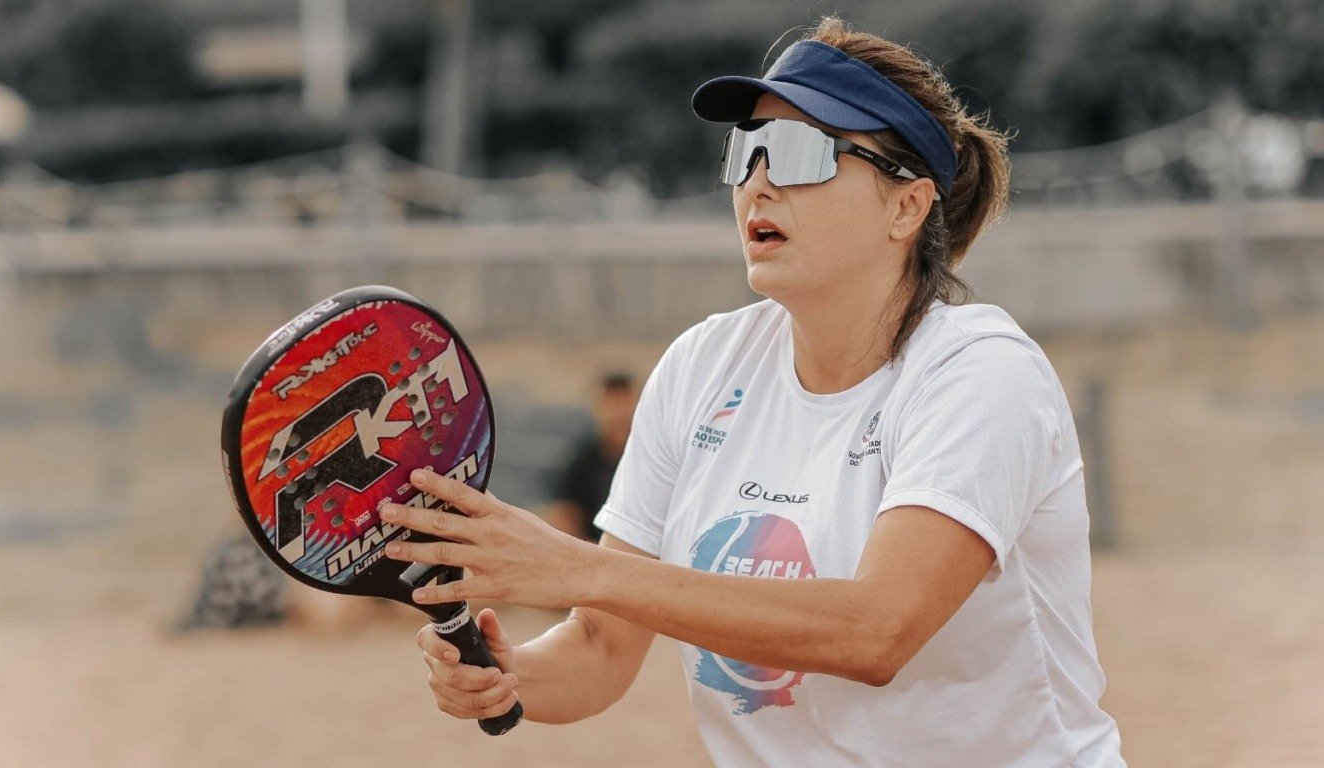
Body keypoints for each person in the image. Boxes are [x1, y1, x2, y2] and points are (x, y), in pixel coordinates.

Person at [377, 15, 1125, 767]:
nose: (759, 182)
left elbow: (876, 631)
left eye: (800, 152)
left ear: (907, 205)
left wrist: (578, 567)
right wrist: (510, 676)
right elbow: (602, 652)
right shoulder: (703, 364)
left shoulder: (980, 374)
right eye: (747, 151)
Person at [542, 371, 639, 543]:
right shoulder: (581, 464)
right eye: (611, 403)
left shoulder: (650, 460)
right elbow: (565, 520)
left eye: (623, 403)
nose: (617, 414)